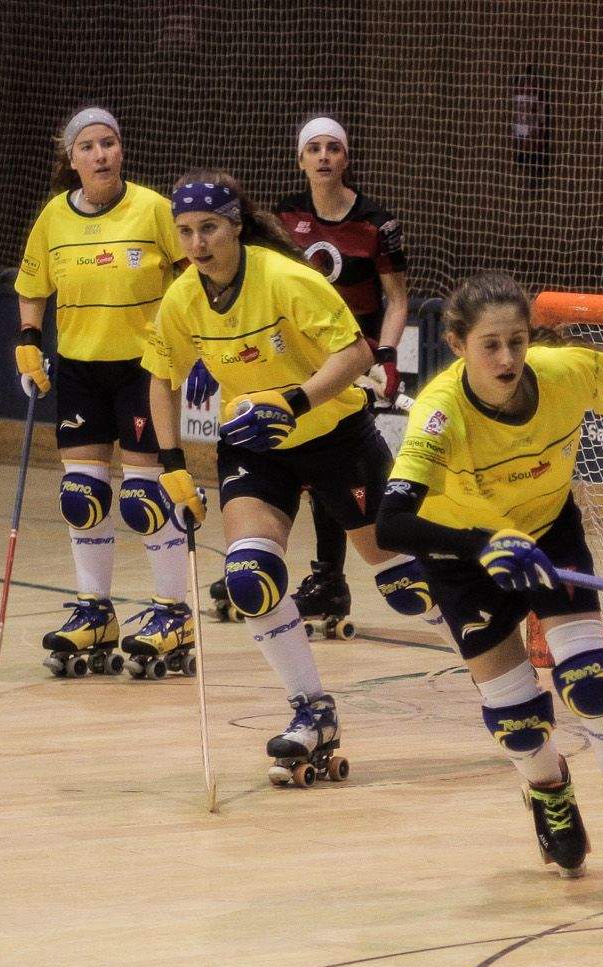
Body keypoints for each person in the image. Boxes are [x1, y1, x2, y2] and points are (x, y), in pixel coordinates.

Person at [375, 271, 603, 893]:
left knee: (592, 680)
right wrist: (480, 544)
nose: (508, 358)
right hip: (460, 556)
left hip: (546, 536)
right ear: (457, 345)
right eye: (491, 345)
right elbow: (392, 524)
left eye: (516, 341)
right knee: (517, 720)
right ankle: (548, 792)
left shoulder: (563, 372)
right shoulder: (439, 412)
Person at [141, 171, 436, 787]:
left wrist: (294, 401)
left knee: (408, 589)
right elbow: (163, 378)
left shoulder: (287, 279)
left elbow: (356, 354)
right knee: (249, 578)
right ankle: (313, 709)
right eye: (187, 232)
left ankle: (494, 659)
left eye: (210, 228)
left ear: (237, 225)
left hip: (333, 434)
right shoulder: (182, 299)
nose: (197, 244)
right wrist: (171, 467)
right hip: (256, 447)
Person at [13, 105, 191, 678]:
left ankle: (173, 612)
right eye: (87, 146)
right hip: (81, 367)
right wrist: (28, 340)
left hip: (144, 370)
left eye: (109, 143)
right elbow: (33, 284)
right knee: (81, 496)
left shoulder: (154, 209)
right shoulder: (53, 219)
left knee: (145, 498)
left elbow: (194, 273)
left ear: (121, 150)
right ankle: (96, 611)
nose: (100, 155)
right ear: (72, 159)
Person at [268, 115, 413, 635]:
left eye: (334, 148)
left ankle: (333, 575)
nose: (324, 156)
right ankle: (321, 575)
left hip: (355, 357)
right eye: (314, 148)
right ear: (301, 159)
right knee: (310, 465)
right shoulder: (283, 216)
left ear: (346, 159)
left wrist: (388, 354)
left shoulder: (377, 222)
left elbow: (396, 298)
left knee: (335, 463)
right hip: (300, 357)